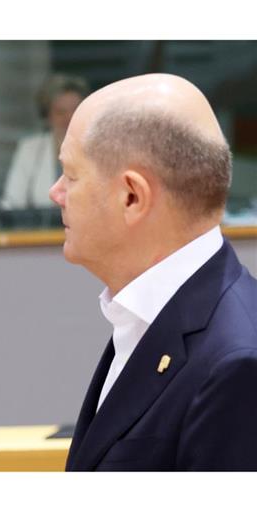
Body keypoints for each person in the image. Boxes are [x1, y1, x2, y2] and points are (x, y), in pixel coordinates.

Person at [50, 73, 257, 470]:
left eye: (71, 175)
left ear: (132, 196)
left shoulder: (237, 365)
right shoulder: (151, 319)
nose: (56, 192)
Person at [1, 74, 89, 210]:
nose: (69, 117)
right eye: (61, 112)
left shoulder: (97, 148)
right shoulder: (29, 149)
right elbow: (12, 204)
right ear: (47, 116)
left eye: (75, 110)